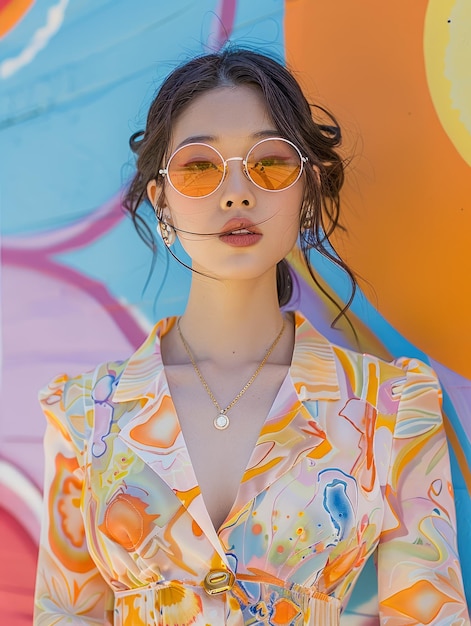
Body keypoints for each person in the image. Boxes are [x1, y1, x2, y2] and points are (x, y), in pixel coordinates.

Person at [34, 49, 470, 625]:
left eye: (269, 163)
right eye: (199, 166)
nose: (237, 193)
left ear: (307, 189)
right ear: (160, 194)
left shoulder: (389, 408)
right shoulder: (87, 415)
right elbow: (65, 615)